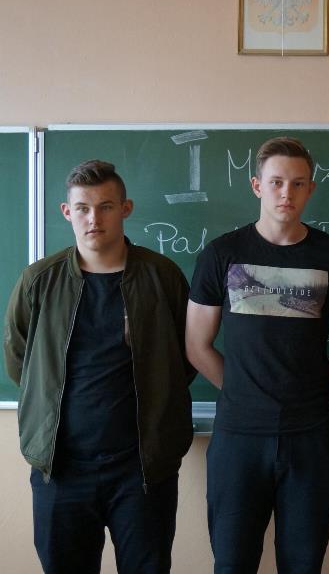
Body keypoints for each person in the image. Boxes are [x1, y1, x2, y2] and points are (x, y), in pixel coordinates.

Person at [3, 160, 195, 573]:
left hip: (143, 470)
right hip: (61, 469)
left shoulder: (162, 276)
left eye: (106, 206)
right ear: (66, 212)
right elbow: (22, 361)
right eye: (83, 208)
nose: (94, 219)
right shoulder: (39, 281)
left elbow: (184, 358)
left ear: (125, 208)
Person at [185, 136, 329, 573]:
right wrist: (243, 388)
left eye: (298, 183)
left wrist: (314, 385)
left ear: (310, 189)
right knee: (233, 563)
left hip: (312, 436)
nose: (287, 193)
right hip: (238, 439)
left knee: (303, 565)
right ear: (257, 186)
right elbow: (196, 345)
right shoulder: (221, 254)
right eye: (277, 182)